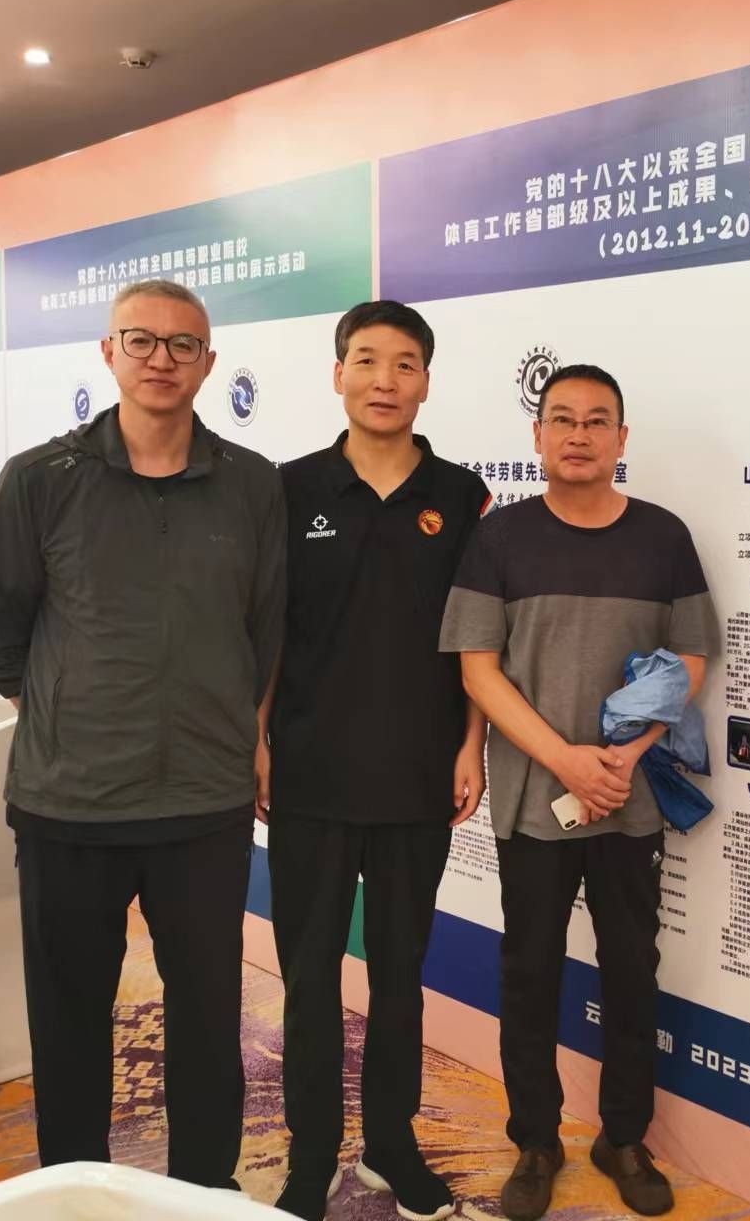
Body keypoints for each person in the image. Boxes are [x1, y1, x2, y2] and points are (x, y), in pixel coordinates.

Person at [0, 278, 285, 1187]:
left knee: (207, 1022)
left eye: (182, 345)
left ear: (208, 364)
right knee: (69, 1022)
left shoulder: (251, 484)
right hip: (70, 805)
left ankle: (204, 1193)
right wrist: (69, 719)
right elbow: (1, 630)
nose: (161, 359)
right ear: (109, 353)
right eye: (140, 340)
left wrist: (249, 740)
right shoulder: (41, 480)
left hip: (203, 805)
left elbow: (265, 631)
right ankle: (74, 1192)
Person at [440, 365, 718, 1220]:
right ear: (537, 435)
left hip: (630, 801)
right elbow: (478, 670)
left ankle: (623, 1137)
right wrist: (566, 760)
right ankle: (535, 1140)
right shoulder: (499, 537)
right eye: (562, 419)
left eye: (598, 421)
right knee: (528, 972)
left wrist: (623, 758)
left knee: (633, 969)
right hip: (536, 801)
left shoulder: (664, 537)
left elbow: (692, 658)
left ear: (621, 439)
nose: (579, 435)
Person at [259, 301, 489, 1220]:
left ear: (426, 380)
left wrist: (471, 744)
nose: (384, 380)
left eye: (403, 364)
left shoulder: (461, 496)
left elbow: (478, 638)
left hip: (417, 776)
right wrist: (258, 740)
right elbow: (269, 630)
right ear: (337, 374)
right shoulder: (289, 489)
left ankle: (392, 1144)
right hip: (309, 775)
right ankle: (311, 1155)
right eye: (365, 360)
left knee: (400, 978)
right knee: (309, 981)